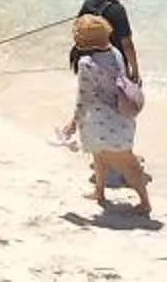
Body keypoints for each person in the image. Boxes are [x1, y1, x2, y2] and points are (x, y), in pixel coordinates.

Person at [62, 14, 150, 215]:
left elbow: (83, 98)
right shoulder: (115, 52)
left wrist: (73, 123)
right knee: (99, 157)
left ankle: (145, 203)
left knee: (127, 165)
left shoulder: (86, 64)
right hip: (123, 116)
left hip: (102, 122)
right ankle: (99, 192)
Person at [79, 0, 139, 82]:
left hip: (92, 63)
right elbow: (127, 44)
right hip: (114, 67)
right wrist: (135, 70)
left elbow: (79, 31)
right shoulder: (117, 10)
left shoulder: (88, 3)